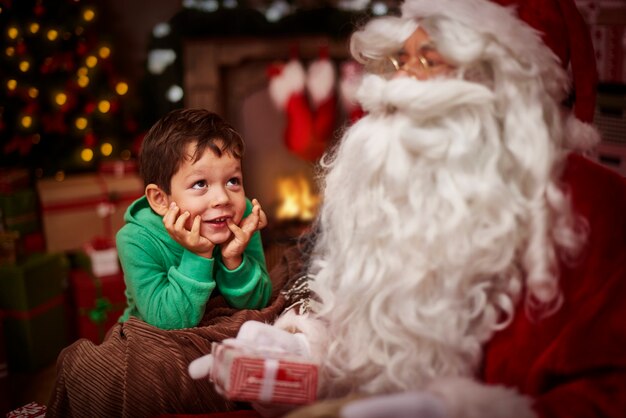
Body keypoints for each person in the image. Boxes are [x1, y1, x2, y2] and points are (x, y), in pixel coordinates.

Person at [194, 0, 626, 417]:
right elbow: (372, 344)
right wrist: (302, 360)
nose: (401, 82)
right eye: (402, 60)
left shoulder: (594, 206)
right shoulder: (387, 190)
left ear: (501, 78)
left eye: (430, 60)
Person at [117, 108, 272, 330]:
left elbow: (259, 302)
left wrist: (234, 257)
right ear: (160, 199)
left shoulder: (243, 216)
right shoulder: (135, 239)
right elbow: (170, 322)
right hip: (154, 333)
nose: (222, 198)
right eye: (200, 184)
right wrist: (198, 255)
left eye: (233, 181)